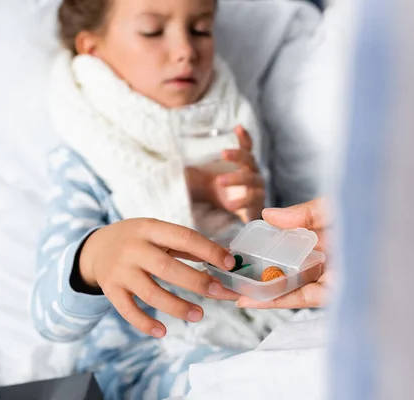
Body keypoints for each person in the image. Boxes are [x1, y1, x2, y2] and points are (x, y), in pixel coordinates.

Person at [31, 0, 322, 398]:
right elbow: (49, 317)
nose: (186, 49)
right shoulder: (87, 156)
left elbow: (262, 272)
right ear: (93, 49)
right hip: (148, 361)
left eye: (201, 29)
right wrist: (96, 256)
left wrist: (258, 219)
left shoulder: (234, 129)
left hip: (256, 329)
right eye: (152, 31)